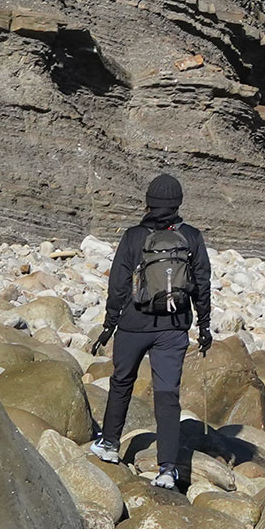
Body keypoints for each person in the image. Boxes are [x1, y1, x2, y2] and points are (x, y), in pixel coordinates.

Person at [86, 172, 213, 489]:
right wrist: (205, 324)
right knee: (167, 396)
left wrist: (108, 325)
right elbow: (201, 285)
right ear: (178, 203)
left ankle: (110, 445)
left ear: (148, 203)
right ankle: (168, 469)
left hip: (133, 324)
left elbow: (117, 284)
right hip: (173, 327)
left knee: (121, 383)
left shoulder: (132, 236)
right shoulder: (192, 237)